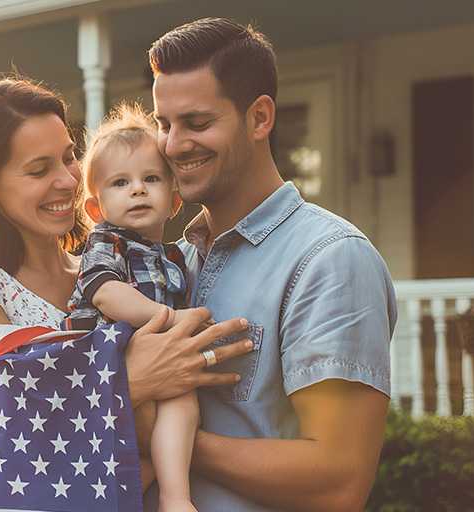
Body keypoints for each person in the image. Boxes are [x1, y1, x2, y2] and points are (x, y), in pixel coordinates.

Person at [0, 77, 254, 498]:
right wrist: (137, 376)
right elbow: (15, 416)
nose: (68, 180)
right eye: (39, 170)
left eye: (69, 156)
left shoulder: (105, 273)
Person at [141, 18, 398, 512]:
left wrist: (164, 435)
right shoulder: (172, 263)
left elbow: (337, 481)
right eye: (163, 123)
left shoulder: (331, 259)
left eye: (197, 123)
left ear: (259, 118)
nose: (173, 145)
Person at [61, 103, 200, 512]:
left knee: (181, 402)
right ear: (95, 208)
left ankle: (175, 499)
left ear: (174, 201)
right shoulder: (107, 242)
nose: (138, 189)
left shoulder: (174, 256)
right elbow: (106, 293)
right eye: (121, 182)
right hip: (102, 361)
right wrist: (171, 320)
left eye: (151, 179)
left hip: (151, 362)